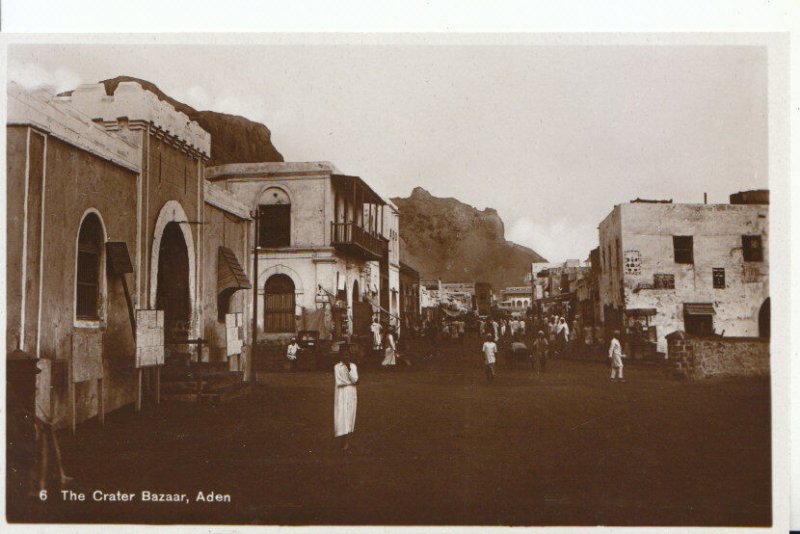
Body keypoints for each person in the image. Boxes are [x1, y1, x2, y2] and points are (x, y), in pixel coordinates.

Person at [334, 351, 359, 450]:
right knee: (341, 415)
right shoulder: (337, 367)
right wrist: (351, 382)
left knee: (350, 415)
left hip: (351, 393)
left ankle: (346, 441)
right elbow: (339, 382)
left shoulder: (353, 366)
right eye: (344, 355)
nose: (346, 357)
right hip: (341, 394)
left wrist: (349, 370)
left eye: (348, 355)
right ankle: (343, 440)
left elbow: (356, 379)